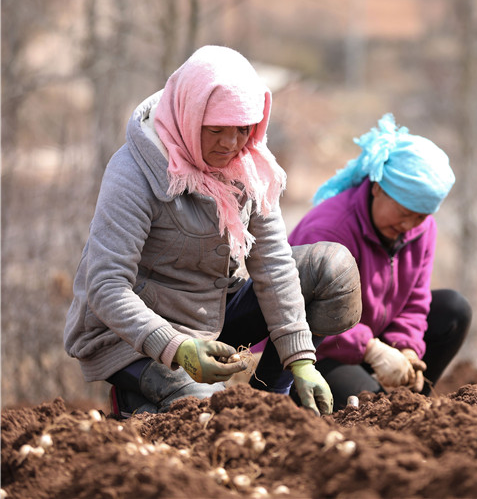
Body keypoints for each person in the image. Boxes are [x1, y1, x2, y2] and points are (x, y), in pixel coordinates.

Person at [64, 46, 362, 418]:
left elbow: (274, 264)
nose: (231, 144)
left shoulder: (249, 166)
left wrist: (300, 359)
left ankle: (275, 402)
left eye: (242, 129)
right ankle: (142, 398)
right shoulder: (134, 173)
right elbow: (106, 286)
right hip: (130, 335)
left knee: (332, 269)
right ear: (189, 116)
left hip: (211, 315)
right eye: (216, 130)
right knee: (209, 413)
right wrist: (177, 348)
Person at [286, 113, 472, 410]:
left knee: (453, 309)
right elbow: (298, 314)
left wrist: (407, 349)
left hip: (369, 338)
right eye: (403, 212)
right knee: (371, 409)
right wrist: (370, 349)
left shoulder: (421, 229)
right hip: (311, 351)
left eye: (420, 216)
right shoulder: (330, 230)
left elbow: (414, 300)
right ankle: (388, 405)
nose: (409, 225)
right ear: (377, 187)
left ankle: (412, 402)